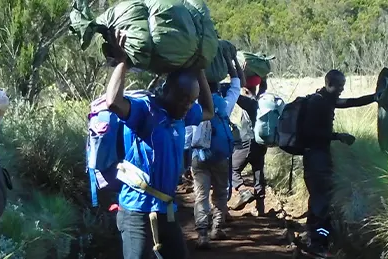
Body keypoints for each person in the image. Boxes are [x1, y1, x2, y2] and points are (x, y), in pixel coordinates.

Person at [103, 30, 215, 259]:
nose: (187, 105)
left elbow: (208, 111)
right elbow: (113, 102)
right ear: (166, 91)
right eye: (183, 98)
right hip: (136, 212)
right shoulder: (145, 109)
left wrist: (200, 70)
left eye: (190, 100)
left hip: (166, 211)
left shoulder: (182, 115)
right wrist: (124, 62)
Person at [298, 70, 376, 258]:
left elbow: (350, 102)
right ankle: (316, 244)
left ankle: (317, 240)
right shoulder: (317, 103)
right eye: (340, 85)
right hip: (315, 158)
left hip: (320, 156)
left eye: (343, 85)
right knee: (320, 201)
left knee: (320, 200)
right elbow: (309, 133)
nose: (342, 89)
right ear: (329, 83)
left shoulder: (326, 99)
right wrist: (337, 136)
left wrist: (374, 97)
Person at [187, 60, 242, 249]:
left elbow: (186, 135)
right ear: (217, 87)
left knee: (200, 195)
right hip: (220, 156)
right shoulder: (223, 104)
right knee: (220, 192)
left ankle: (202, 234)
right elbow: (236, 86)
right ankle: (217, 226)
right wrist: (230, 61)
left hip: (198, 157)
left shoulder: (192, 105)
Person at [229, 86, 268, 216]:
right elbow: (262, 86)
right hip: (261, 144)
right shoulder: (263, 103)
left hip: (247, 142)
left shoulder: (250, 103)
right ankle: (261, 209)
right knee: (258, 174)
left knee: (231, 168)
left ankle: (243, 191)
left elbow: (235, 96)